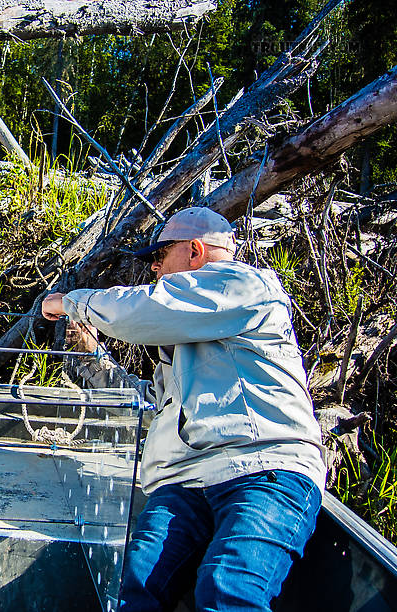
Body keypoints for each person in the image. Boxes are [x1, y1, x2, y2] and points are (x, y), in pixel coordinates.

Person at [42, 207, 326, 611]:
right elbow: (156, 406)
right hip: (184, 484)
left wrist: (72, 302)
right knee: (134, 590)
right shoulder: (185, 334)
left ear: (194, 251)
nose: (155, 268)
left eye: (160, 255)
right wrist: (93, 361)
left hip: (262, 470)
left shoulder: (243, 284)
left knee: (228, 591)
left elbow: (148, 307)